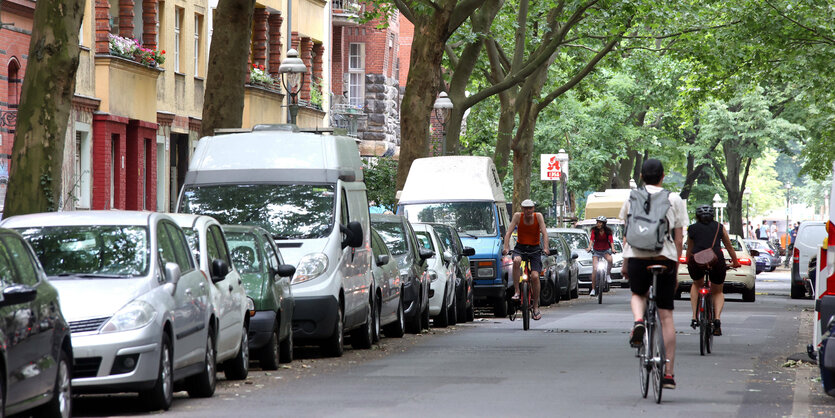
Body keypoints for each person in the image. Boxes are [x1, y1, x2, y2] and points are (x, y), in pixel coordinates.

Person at [621, 159, 688, 390]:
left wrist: (625, 262)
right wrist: (676, 267)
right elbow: (679, 239)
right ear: (663, 176)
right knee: (666, 316)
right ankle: (668, 374)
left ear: (641, 175)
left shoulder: (632, 198)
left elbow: (627, 233)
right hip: (665, 259)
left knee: (638, 294)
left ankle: (639, 321)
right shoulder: (674, 199)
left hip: (637, 257)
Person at [685, 205, 741, 336]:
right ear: (713, 216)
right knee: (717, 291)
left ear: (697, 216)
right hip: (716, 260)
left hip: (696, 260)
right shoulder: (719, 227)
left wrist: (688, 261)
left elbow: (690, 249)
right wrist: (736, 262)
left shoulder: (692, 229)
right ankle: (717, 319)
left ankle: (694, 316)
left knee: (696, 284)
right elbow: (729, 247)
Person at [502, 199, 550, 321]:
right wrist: (506, 248)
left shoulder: (538, 216)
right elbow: (508, 233)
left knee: (534, 276)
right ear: (522, 209)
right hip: (521, 247)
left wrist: (545, 248)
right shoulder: (517, 216)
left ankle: (535, 307)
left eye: (530, 208)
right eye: (525, 208)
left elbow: (544, 233)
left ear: (533, 208)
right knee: (517, 261)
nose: (528, 211)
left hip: (534, 249)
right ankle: (517, 291)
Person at [586, 216, 616, 297]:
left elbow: (611, 241)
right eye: (597, 222)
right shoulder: (594, 230)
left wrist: (613, 248)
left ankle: (608, 274)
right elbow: (592, 240)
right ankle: (593, 289)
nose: (598, 224)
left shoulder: (608, 231)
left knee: (610, 260)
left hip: (605, 250)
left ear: (604, 224)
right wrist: (589, 247)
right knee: (595, 269)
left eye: (600, 222)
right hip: (596, 251)